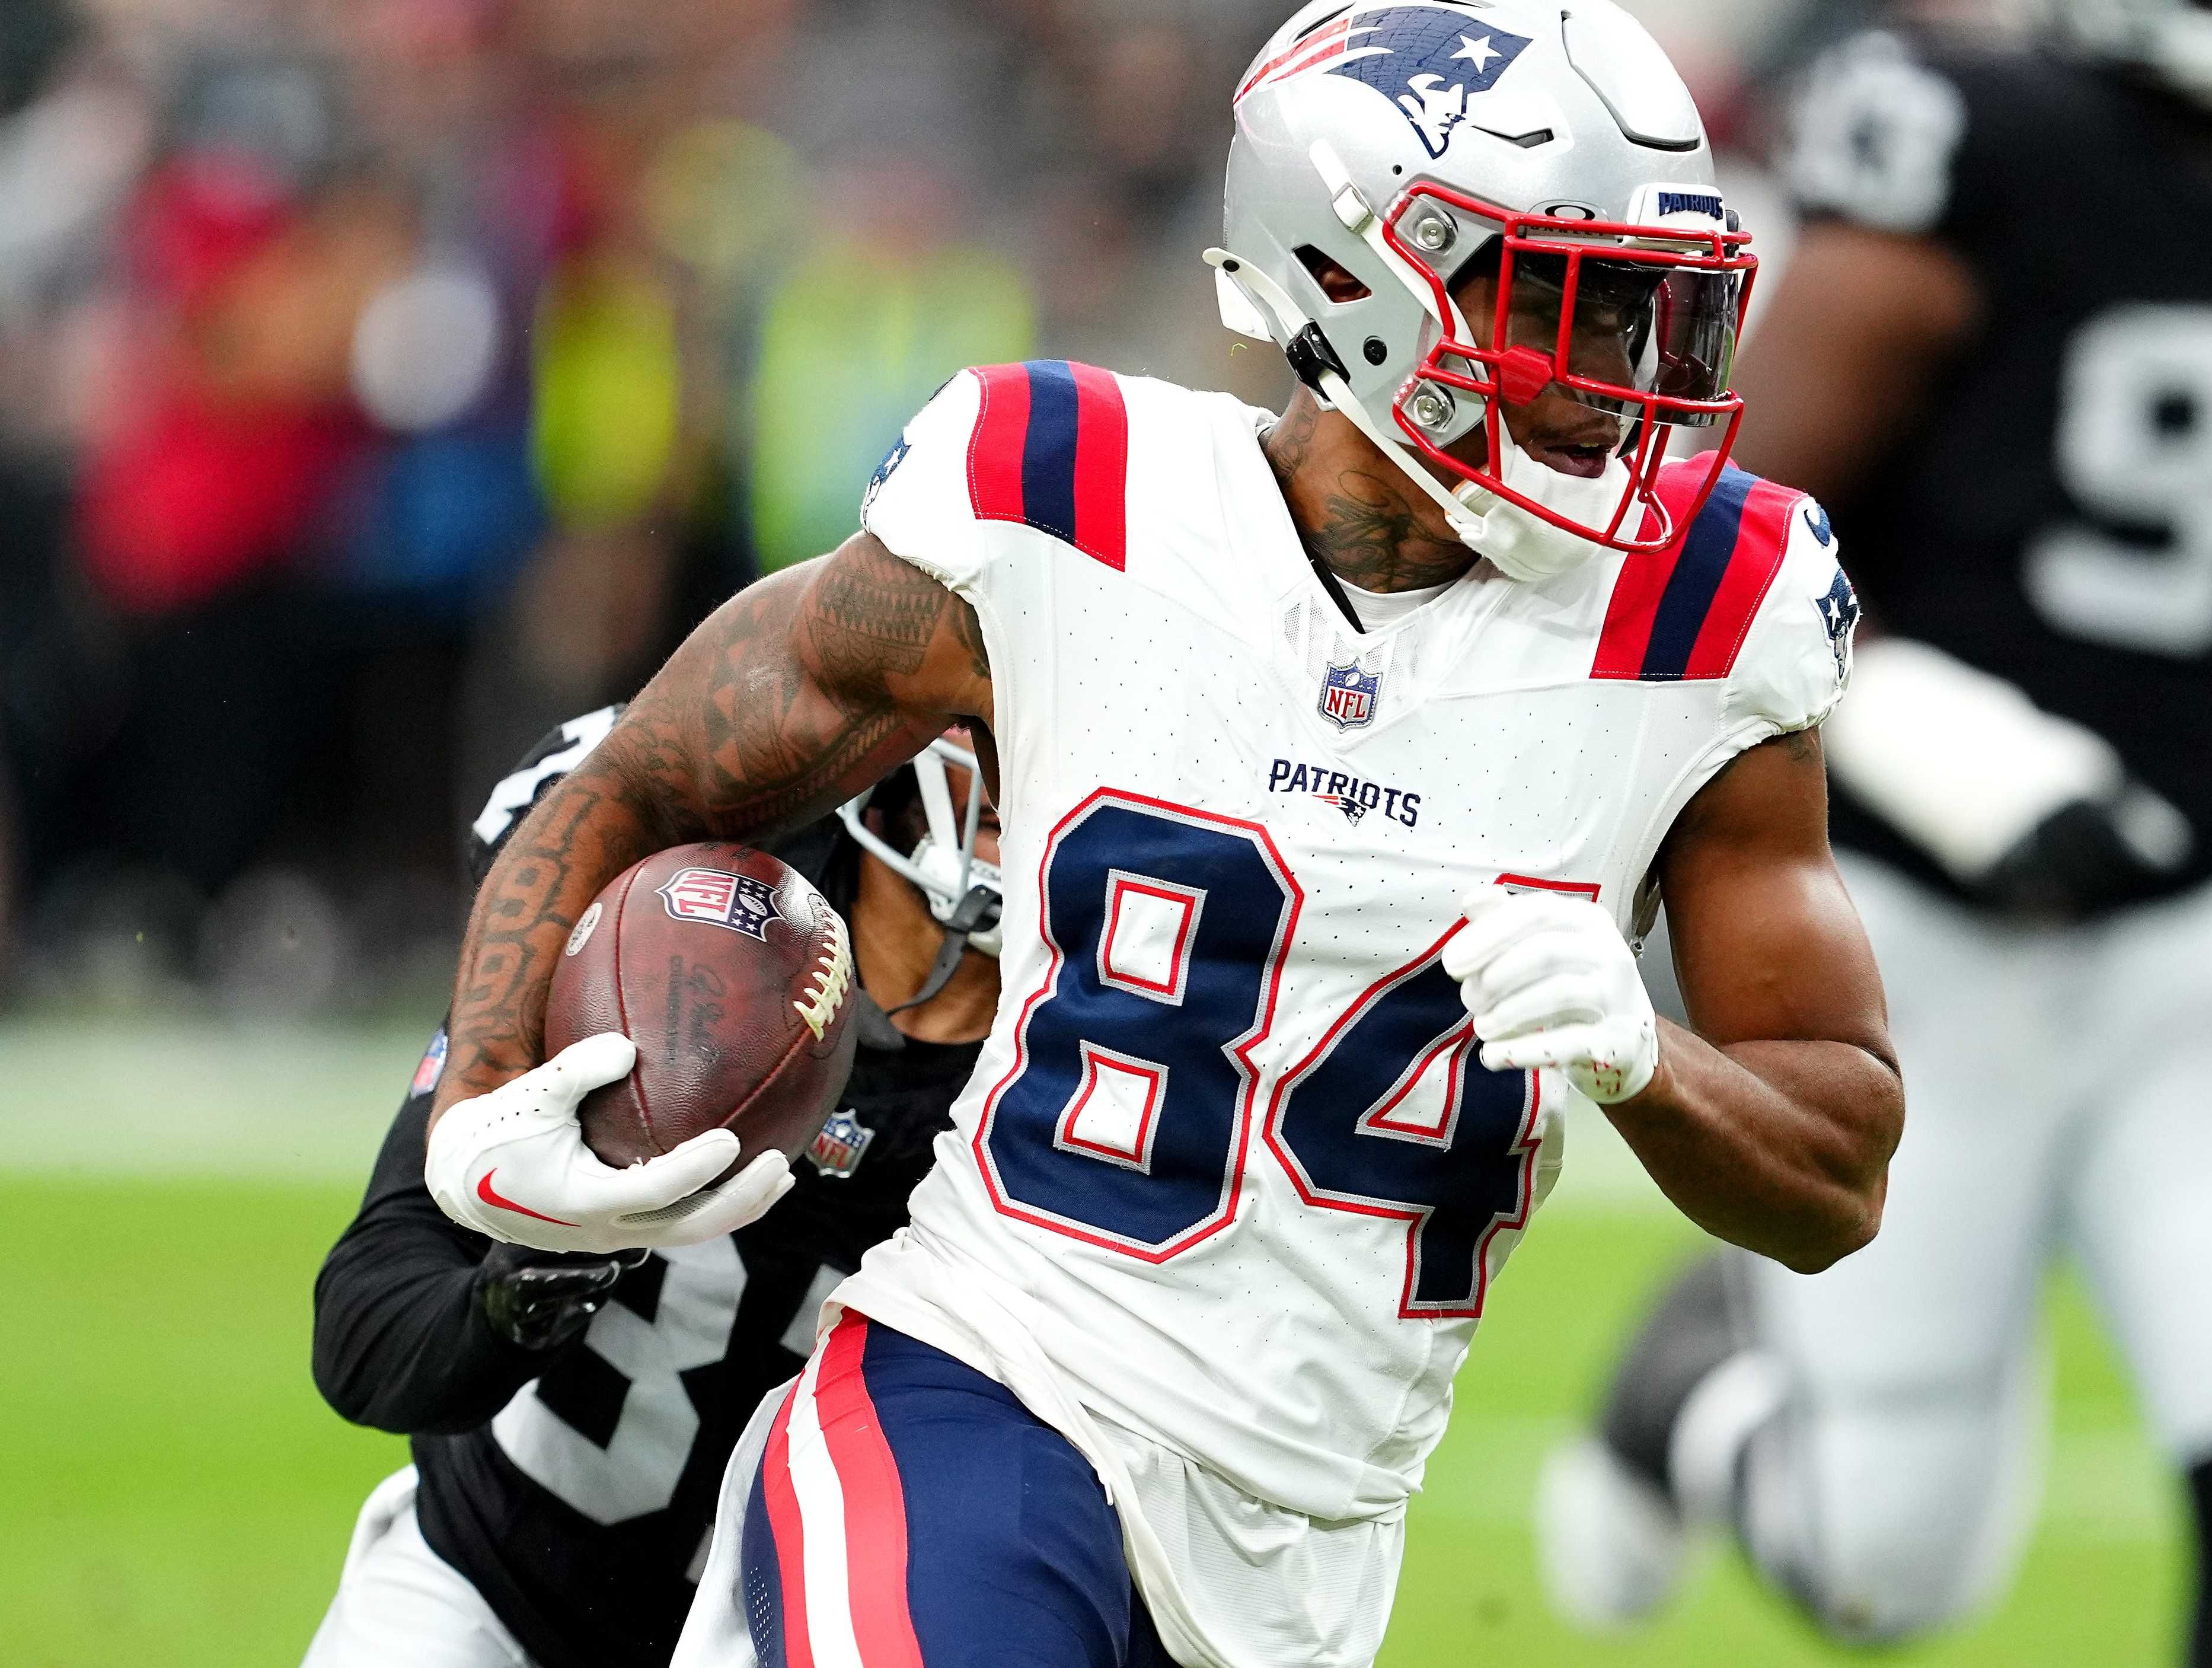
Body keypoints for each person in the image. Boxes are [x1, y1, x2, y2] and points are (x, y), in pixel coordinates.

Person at [420, 4, 1907, 1664]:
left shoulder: (1715, 616)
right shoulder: (1071, 497)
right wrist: (481, 1089)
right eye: (1572, 299)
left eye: (1653, 308)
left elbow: (1840, 1170)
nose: (1624, 376)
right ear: (1359, 274)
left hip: (1308, 1550)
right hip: (979, 1394)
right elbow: (643, 775)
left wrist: (1647, 1060)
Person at [1537, 5, 2212, 1665]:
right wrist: (1914, 724)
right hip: (1920, 939)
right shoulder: (1979, 144)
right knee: (1883, 1570)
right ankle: (1692, 1388)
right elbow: (1707, 540)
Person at [301, 713, 1004, 1668]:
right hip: (485, 1587)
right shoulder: (673, 924)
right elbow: (367, 1328)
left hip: (792, 1640)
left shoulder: (1101, 1056)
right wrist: (522, 1291)